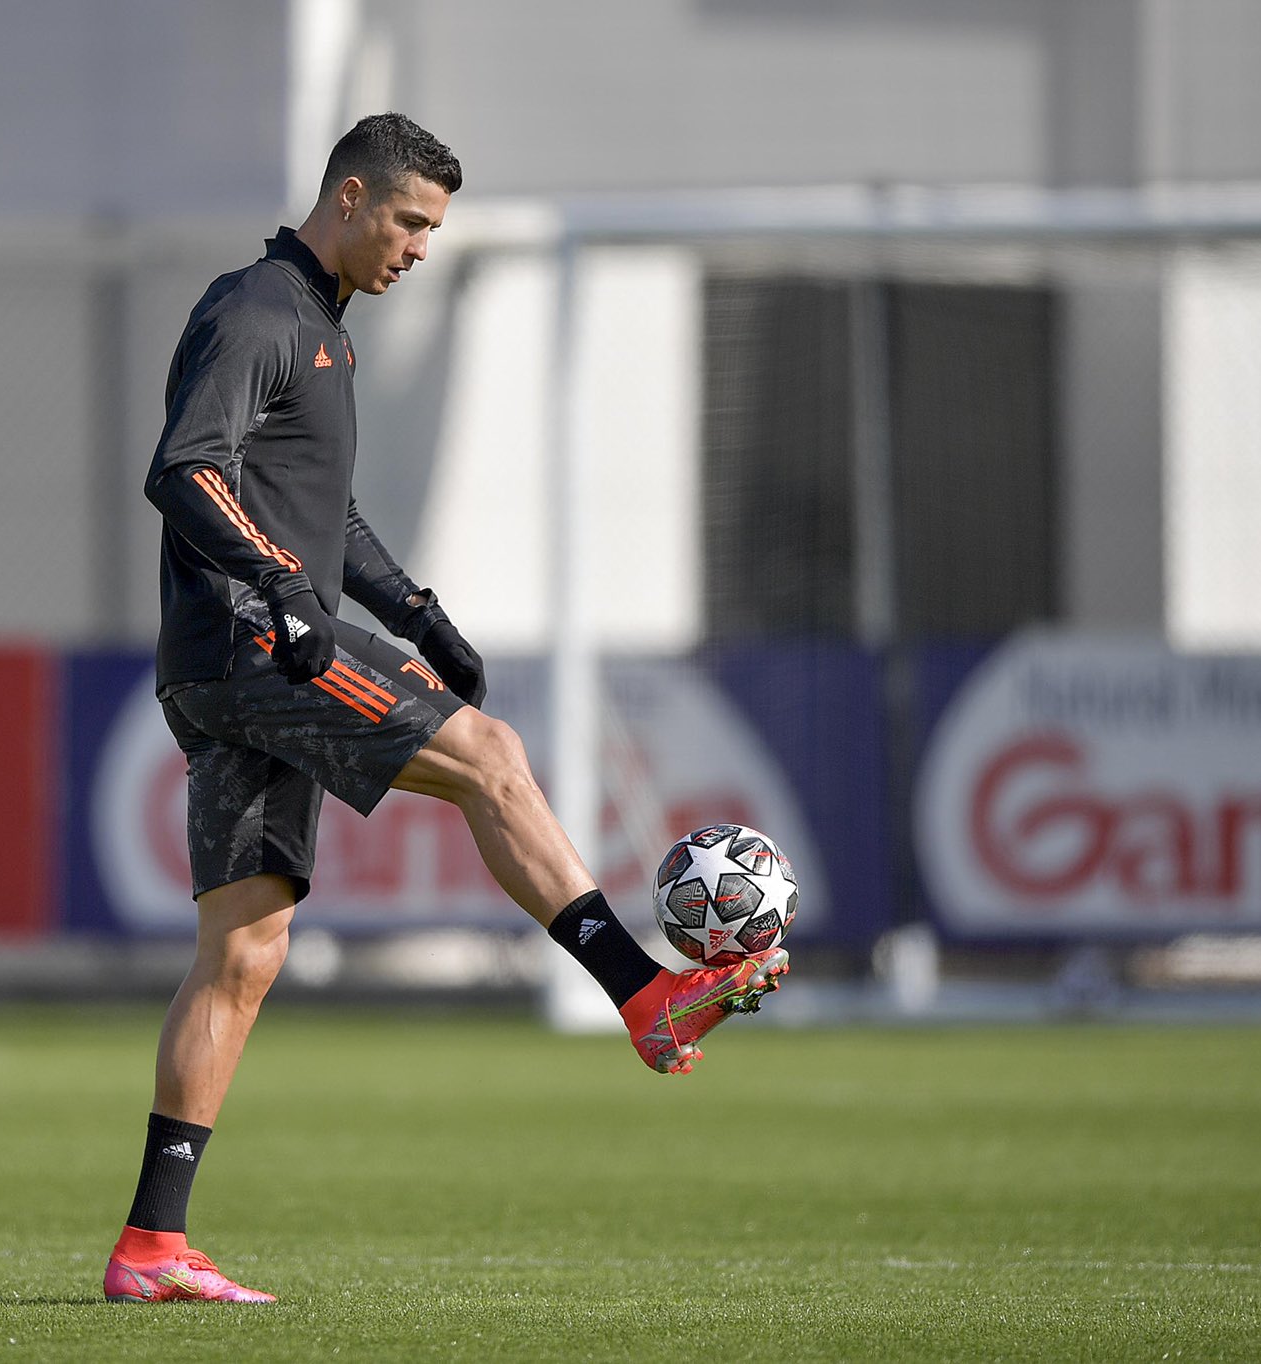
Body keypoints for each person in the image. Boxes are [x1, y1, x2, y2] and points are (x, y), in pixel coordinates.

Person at [103, 112, 788, 1305]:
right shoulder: (261, 307)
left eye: (433, 228)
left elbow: (317, 507)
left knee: (244, 953)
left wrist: (414, 611)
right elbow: (184, 469)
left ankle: (151, 1244)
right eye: (412, 220)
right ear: (351, 194)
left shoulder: (320, 329)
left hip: (221, 660)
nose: (421, 246)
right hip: (259, 645)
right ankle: (644, 992)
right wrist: (281, 590)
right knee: (492, 757)